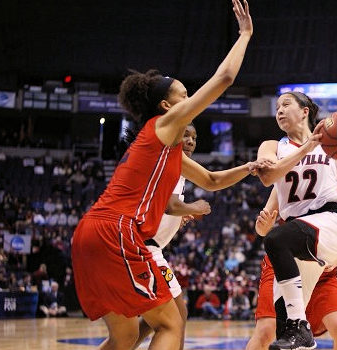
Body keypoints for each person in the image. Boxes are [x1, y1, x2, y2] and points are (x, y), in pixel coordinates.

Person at [71, 2, 253, 349]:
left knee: (123, 338)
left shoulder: (162, 149)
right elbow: (224, 79)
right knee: (172, 324)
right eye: (185, 96)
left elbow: (211, 181)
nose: (190, 100)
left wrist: (248, 168)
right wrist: (244, 35)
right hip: (117, 232)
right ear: (168, 107)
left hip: (89, 234)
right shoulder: (163, 126)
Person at [255, 91, 337, 349]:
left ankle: (301, 328)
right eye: (276, 107)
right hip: (297, 238)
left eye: (286, 104)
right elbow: (268, 176)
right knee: (283, 334)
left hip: (331, 221)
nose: (279, 111)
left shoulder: (331, 146)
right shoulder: (273, 146)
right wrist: (306, 148)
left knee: (276, 239)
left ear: (305, 111)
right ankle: (300, 334)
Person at [134, 123, 268, 349]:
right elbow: (206, 184)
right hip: (145, 249)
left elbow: (160, 209)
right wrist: (192, 207)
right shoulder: (171, 161)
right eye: (185, 135)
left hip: (145, 246)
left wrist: (178, 217)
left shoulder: (171, 165)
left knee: (157, 320)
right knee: (177, 315)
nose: (190, 141)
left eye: (194, 138)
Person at [246, 187, 337, 350]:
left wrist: (333, 261)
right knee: (266, 331)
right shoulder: (283, 182)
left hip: (322, 268)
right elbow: (261, 230)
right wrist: (264, 226)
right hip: (284, 266)